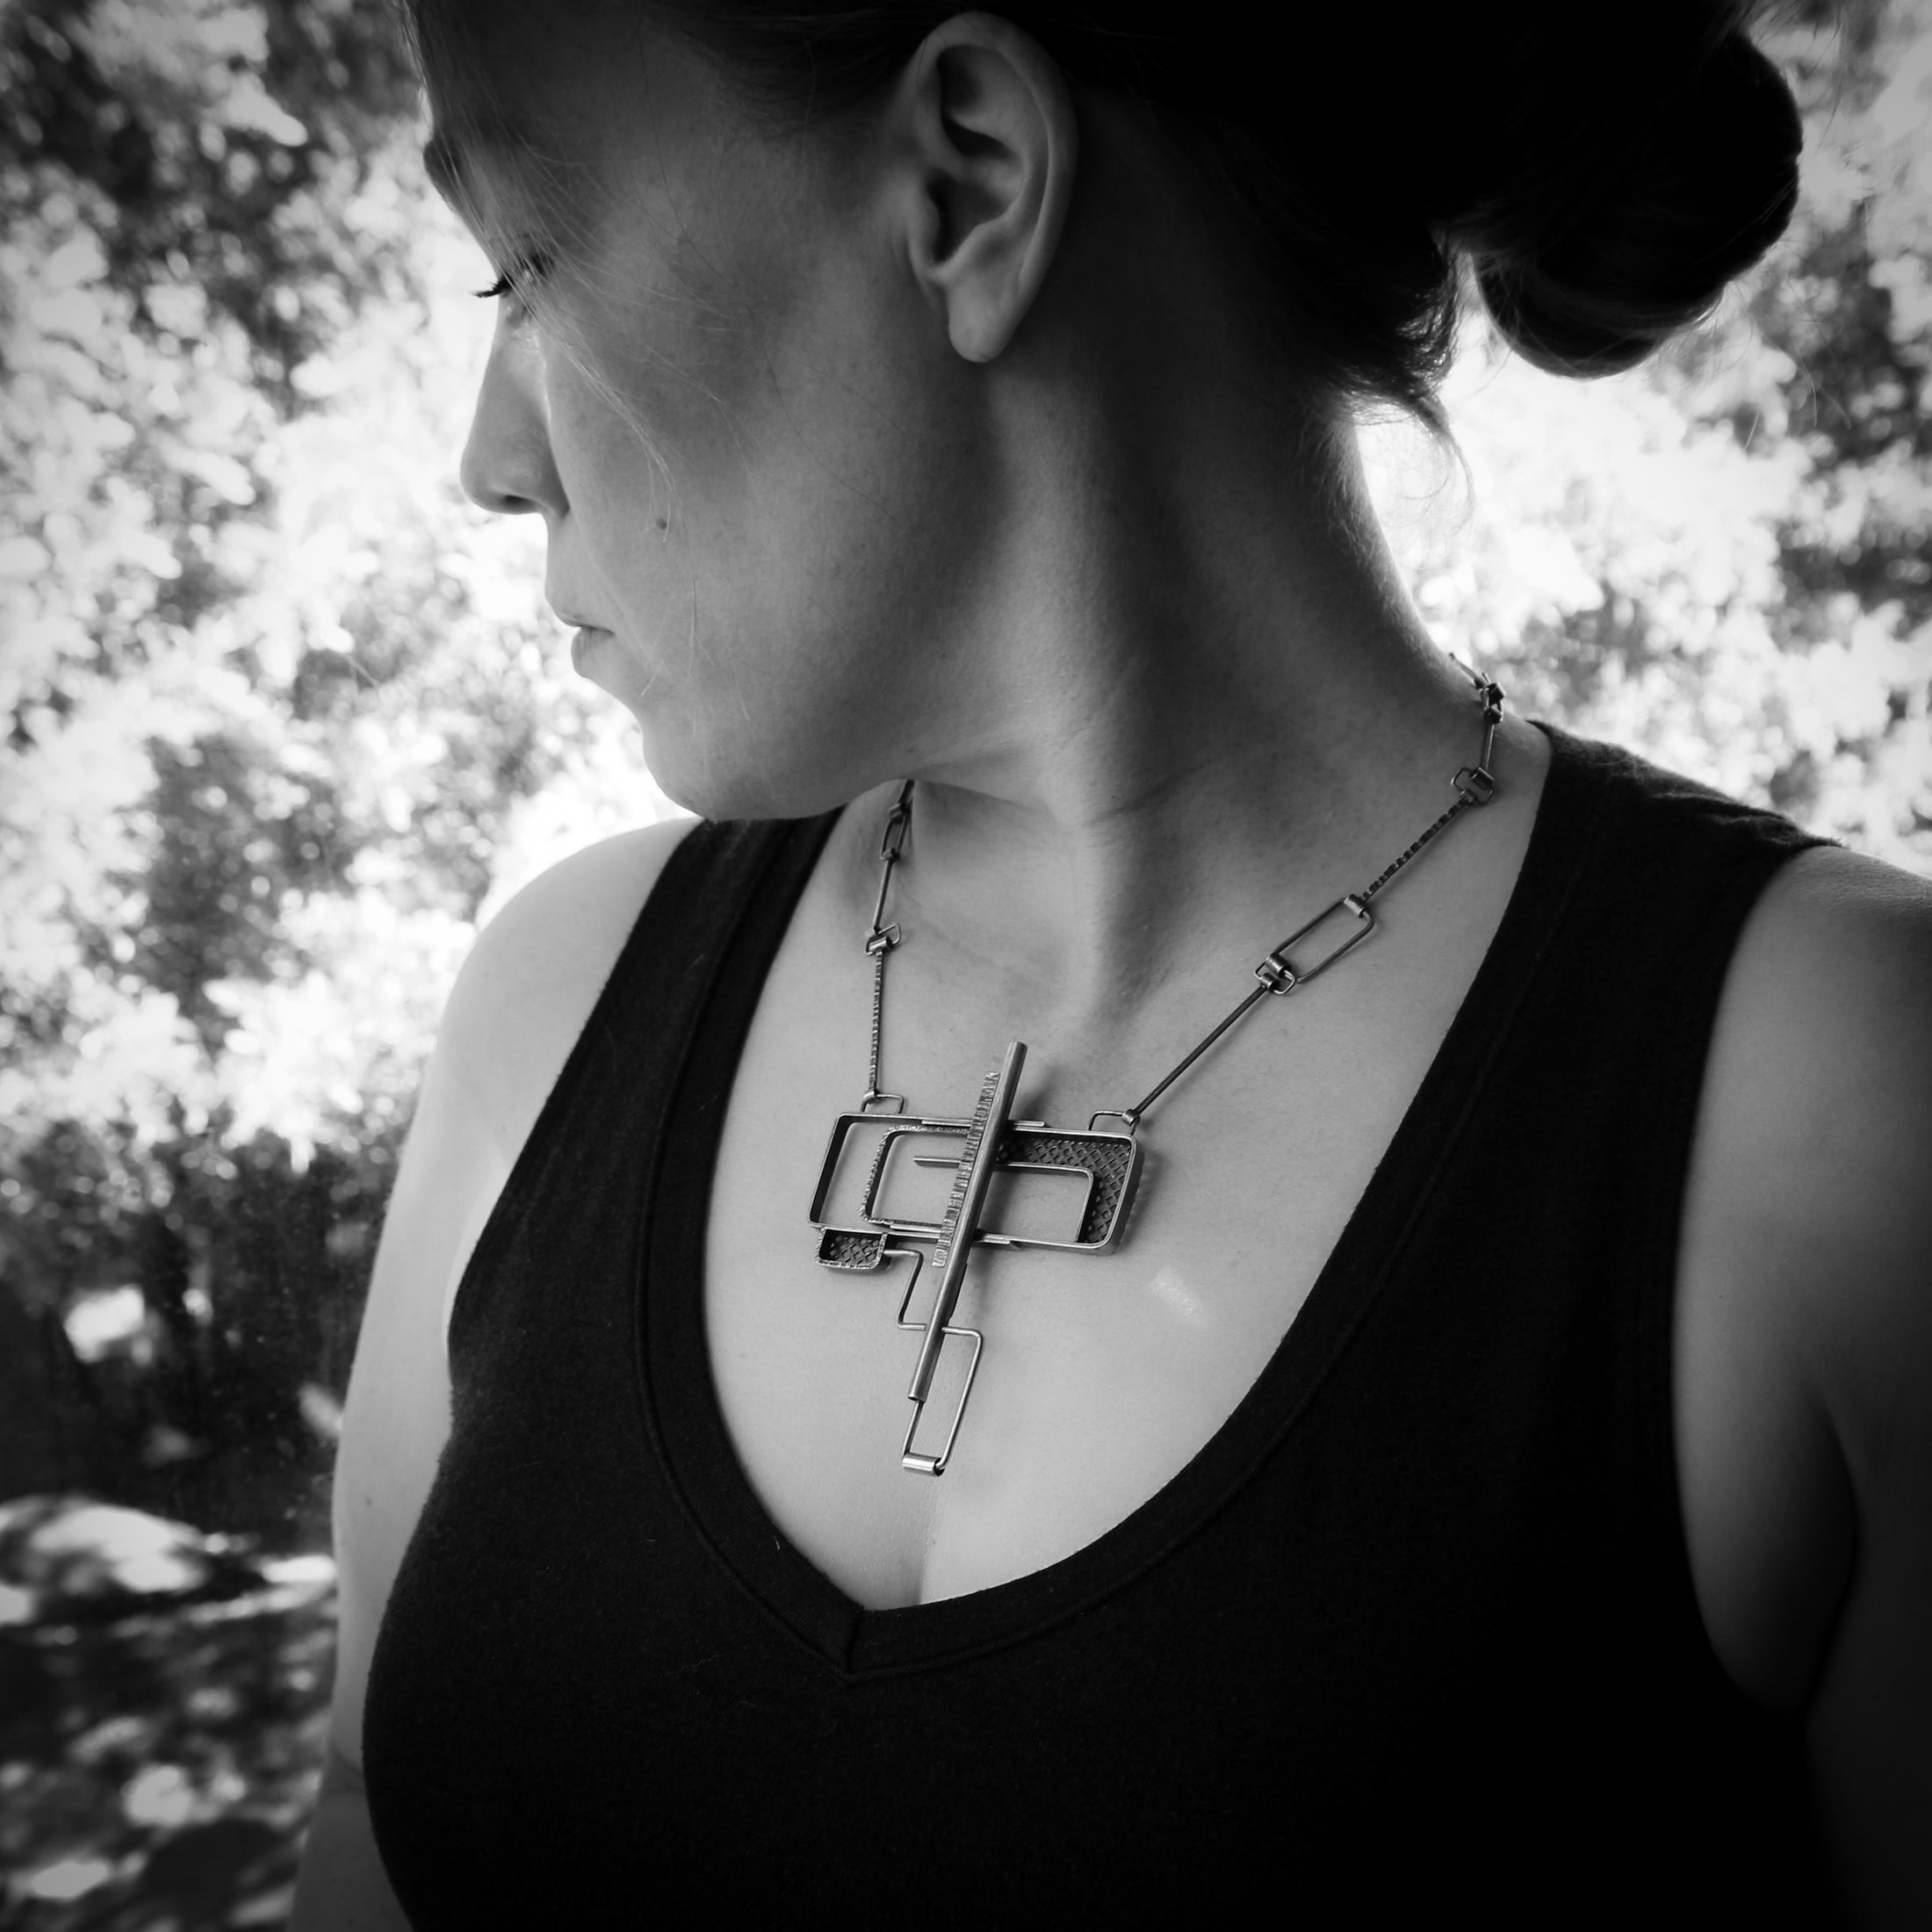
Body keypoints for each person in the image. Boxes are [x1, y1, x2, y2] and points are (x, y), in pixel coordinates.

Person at [291, 3, 1931, 1923]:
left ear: (967, 178)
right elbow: (364, 1821)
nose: (490, 461)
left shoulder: (1834, 1117)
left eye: (525, 260)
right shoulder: (554, 1008)